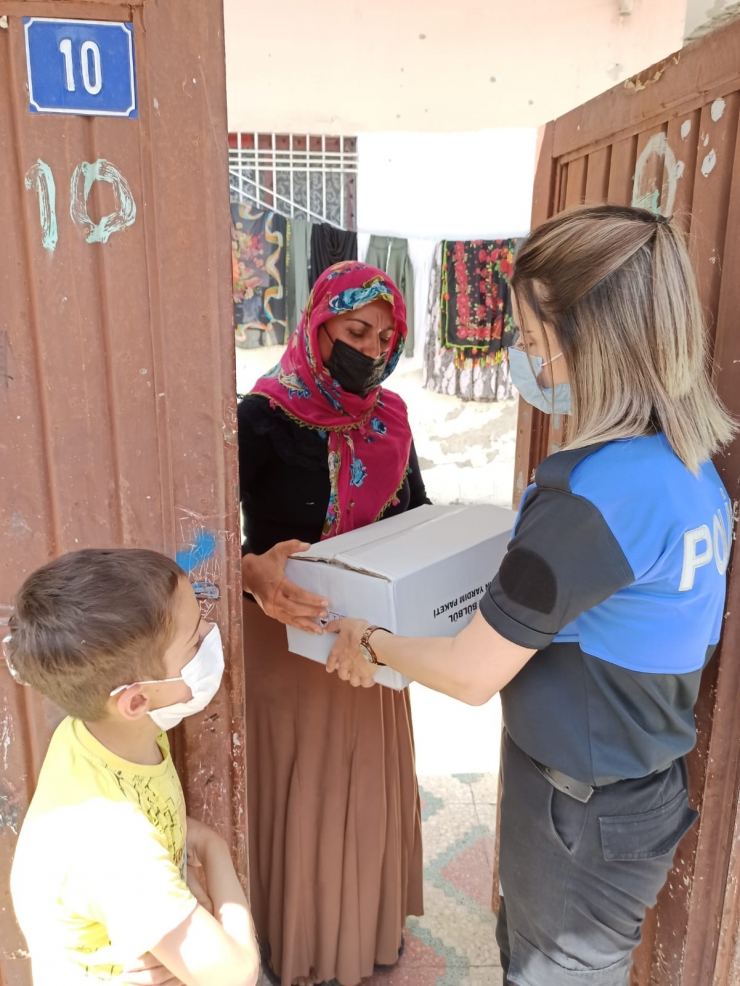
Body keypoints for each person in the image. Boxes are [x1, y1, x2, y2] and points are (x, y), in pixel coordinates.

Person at [325, 205, 736, 986]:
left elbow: (471, 673)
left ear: (586, 335)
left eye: (527, 333)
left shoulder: (588, 496)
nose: (522, 353)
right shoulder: (685, 464)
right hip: (637, 788)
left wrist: (369, 639)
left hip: (581, 813)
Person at [238, 261, 427, 986]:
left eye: (385, 337)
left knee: (362, 790)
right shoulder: (259, 417)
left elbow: (416, 515)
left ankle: (365, 936)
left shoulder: (392, 419)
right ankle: (294, 942)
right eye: (356, 332)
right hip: (287, 643)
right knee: (306, 793)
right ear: (318, 326)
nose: (372, 351)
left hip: (371, 638)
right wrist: (254, 570)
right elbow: (208, 537)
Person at [6, 548, 260, 986]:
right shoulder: (114, 842)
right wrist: (215, 847)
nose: (211, 633)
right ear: (137, 700)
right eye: (195, 641)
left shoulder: (100, 733)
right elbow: (235, 973)